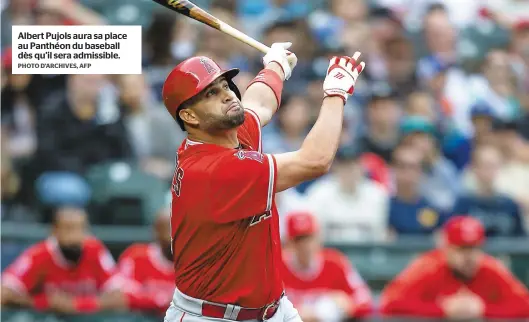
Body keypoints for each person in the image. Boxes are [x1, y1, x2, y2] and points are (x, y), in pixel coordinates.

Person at [161, 41, 365, 322]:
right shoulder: (213, 169)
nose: (228, 95)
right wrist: (336, 93)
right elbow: (315, 160)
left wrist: (276, 65)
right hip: (213, 316)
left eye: (224, 85)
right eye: (211, 93)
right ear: (189, 116)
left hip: (272, 309)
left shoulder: (224, 135)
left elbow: (258, 103)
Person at [380, 216, 529, 319]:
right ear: (447, 248)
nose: (469, 256)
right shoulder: (428, 266)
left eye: (474, 248)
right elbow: (390, 303)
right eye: (462, 249)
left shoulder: (490, 268)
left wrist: (484, 309)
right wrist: (443, 309)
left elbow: (525, 304)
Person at [0, 207, 122, 313]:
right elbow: (4, 293)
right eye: (68, 229)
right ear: (55, 231)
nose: (75, 236)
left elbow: (119, 297)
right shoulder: (38, 255)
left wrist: (76, 305)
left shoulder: (96, 251)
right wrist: (44, 303)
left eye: (81, 229)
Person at [281, 211, 374, 322]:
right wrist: (297, 311)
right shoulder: (276, 267)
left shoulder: (335, 262)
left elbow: (365, 300)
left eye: (309, 239)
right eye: (299, 240)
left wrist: (349, 304)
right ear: (288, 243)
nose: (305, 246)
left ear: (318, 238)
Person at [107, 207, 175, 316]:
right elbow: (118, 295)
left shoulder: (197, 262)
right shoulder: (136, 255)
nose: (173, 237)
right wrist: (161, 300)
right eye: (167, 230)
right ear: (156, 232)